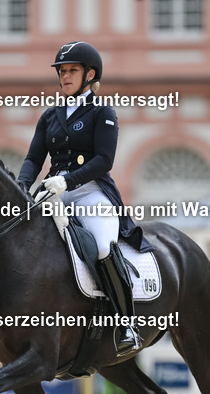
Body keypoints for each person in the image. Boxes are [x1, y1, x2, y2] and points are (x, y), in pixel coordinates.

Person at [11, 40, 152, 357]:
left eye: (72, 70)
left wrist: (68, 179)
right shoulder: (50, 116)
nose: (65, 76)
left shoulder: (103, 112)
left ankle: (126, 322)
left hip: (90, 192)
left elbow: (104, 160)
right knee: (19, 243)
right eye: (62, 71)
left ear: (90, 74)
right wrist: (22, 186)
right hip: (53, 195)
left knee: (102, 246)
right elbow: (34, 158)